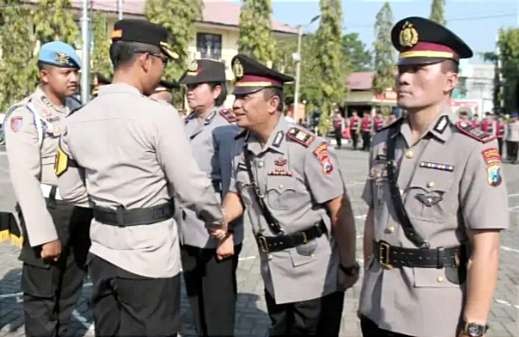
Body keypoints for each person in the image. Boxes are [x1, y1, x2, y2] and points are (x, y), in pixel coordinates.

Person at [56, 19, 225, 337]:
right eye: (162, 62)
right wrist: (216, 219)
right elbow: (190, 184)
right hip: (148, 254)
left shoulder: (77, 120)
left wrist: (107, 204)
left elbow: (70, 188)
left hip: (103, 249)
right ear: (146, 60)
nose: (162, 71)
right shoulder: (157, 115)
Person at [359, 17, 509, 337]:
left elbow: (486, 248)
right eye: (402, 69)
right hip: (377, 303)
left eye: (418, 69)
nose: (404, 78)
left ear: (450, 80)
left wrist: (474, 324)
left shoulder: (472, 149)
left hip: (431, 315)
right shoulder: (382, 141)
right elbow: (374, 217)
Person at [221, 54, 359, 337]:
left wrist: (347, 264)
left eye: (246, 97)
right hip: (274, 272)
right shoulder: (242, 146)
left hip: (314, 274)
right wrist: (219, 219)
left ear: (273, 103)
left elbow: (339, 210)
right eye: (237, 96)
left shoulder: (306, 148)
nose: (236, 104)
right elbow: (237, 193)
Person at [3, 41, 92, 337]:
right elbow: (24, 179)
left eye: (75, 73)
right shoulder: (25, 116)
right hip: (47, 212)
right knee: (41, 298)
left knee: (69, 291)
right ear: (44, 75)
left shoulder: (79, 110)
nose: (73, 79)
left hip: (79, 210)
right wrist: (44, 235)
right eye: (65, 72)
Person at [178, 59, 242, 337]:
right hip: (186, 229)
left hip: (216, 229)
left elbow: (234, 185)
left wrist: (229, 232)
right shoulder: (185, 123)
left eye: (196, 86)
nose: (190, 91)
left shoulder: (226, 127)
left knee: (218, 308)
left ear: (217, 90)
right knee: (196, 304)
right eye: (188, 86)